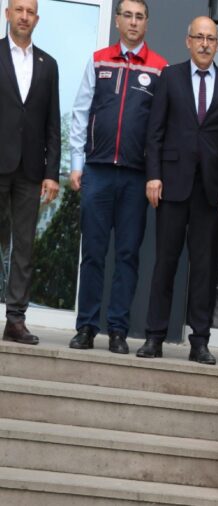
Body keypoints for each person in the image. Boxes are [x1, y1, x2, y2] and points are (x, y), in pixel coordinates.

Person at [138, 16, 218, 365]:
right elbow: (154, 132)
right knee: (165, 263)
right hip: (171, 185)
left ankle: (199, 341)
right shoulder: (169, 77)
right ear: (188, 41)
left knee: (203, 269)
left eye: (210, 39)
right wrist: (153, 176)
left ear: (217, 44)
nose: (204, 44)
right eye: (199, 37)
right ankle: (154, 336)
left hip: (209, 191)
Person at [68, 0, 167, 354]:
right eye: (128, 15)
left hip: (136, 177)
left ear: (146, 23)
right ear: (117, 20)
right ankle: (86, 327)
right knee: (93, 253)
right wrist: (76, 163)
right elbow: (81, 112)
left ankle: (118, 331)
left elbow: (160, 128)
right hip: (97, 170)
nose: (133, 22)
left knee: (127, 256)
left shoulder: (159, 68)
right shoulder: (99, 60)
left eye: (140, 17)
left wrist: (155, 174)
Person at [0, 0, 60, 345]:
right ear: (7, 13)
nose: (24, 16)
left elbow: (53, 122)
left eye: (30, 11)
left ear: (37, 18)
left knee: (24, 246)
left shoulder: (48, 65)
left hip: (30, 170)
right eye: (19, 9)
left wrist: (52, 173)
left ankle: (15, 320)